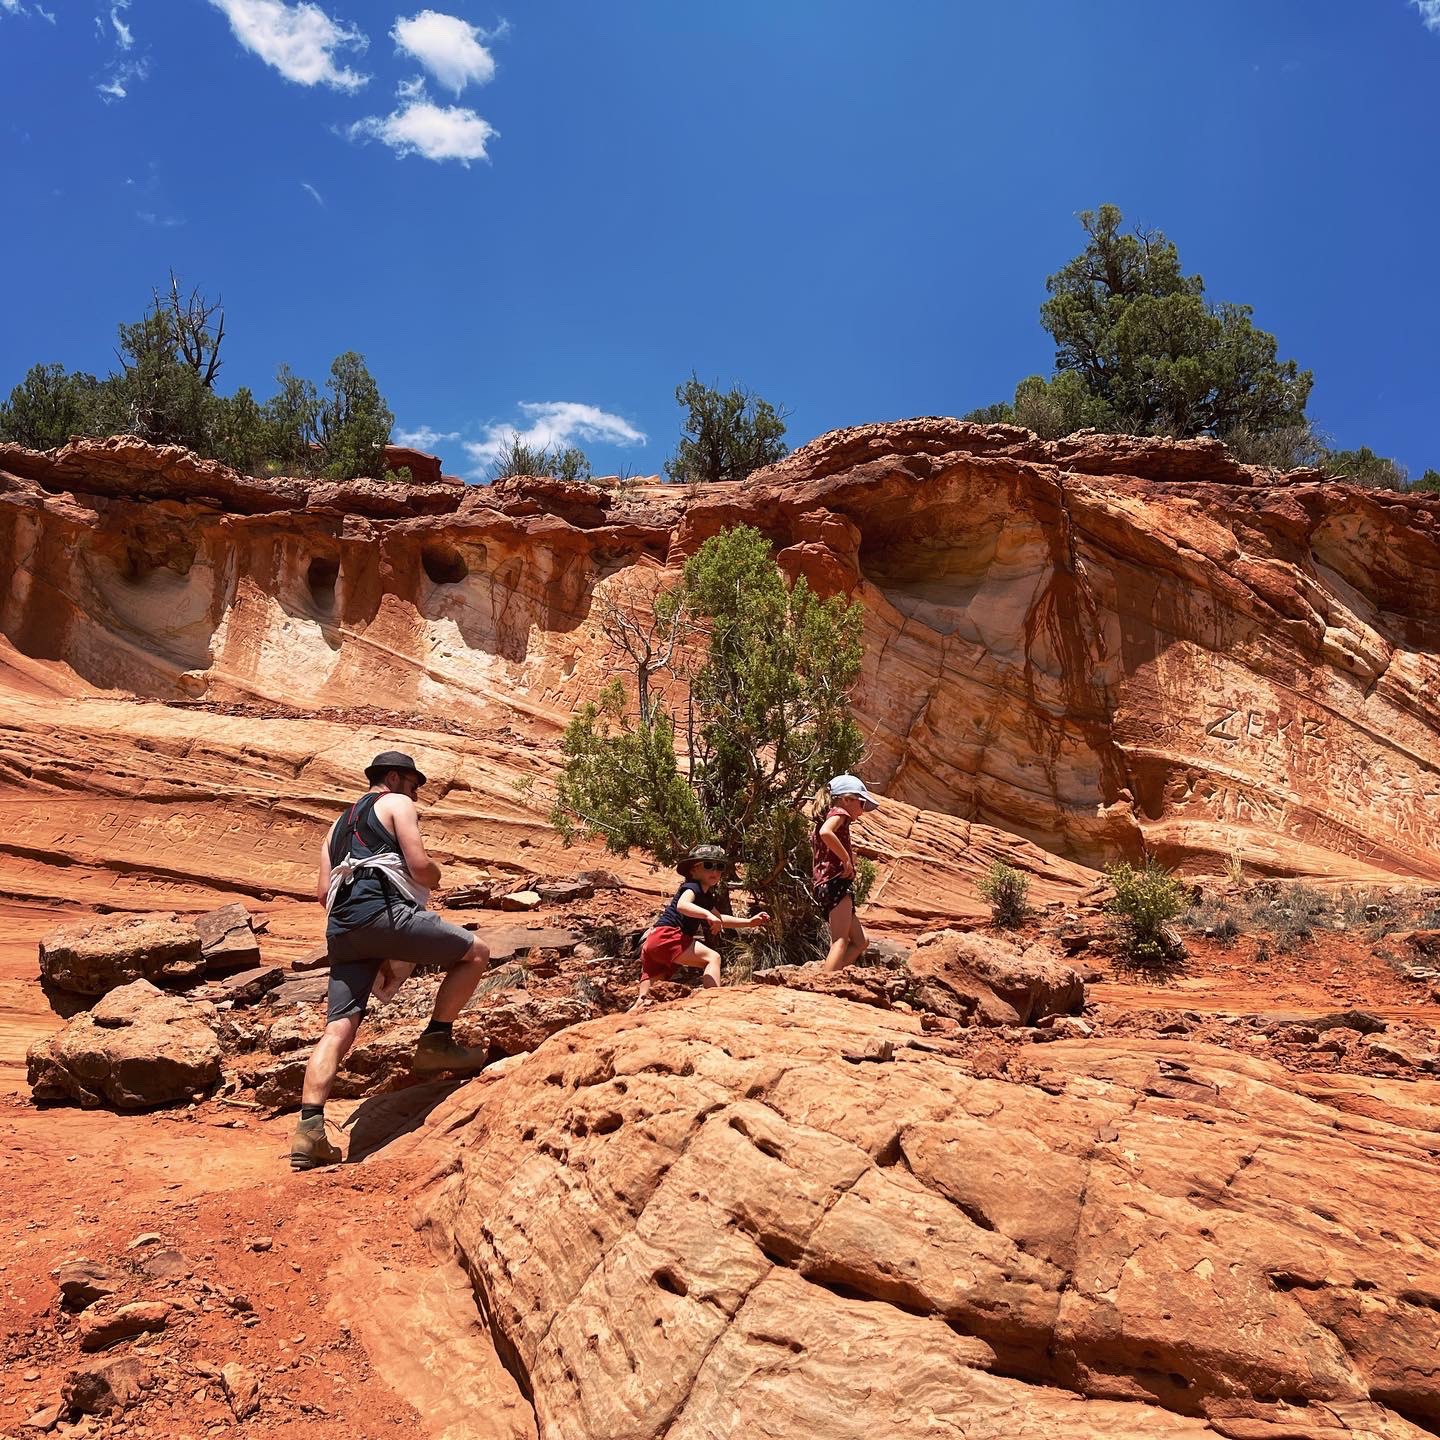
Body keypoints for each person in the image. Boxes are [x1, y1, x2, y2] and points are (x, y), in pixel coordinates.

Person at [290, 750, 492, 1172]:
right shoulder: (396, 802)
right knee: (476, 953)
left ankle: (309, 1129)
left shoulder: (335, 827)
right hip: (382, 911)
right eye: (414, 785)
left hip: (342, 929)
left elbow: (323, 893)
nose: (415, 794)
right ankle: (436, 1042)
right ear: (396, 778)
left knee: (338, 1028)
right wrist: (435, 874)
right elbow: (418, 867)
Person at [633, 844, 769, 1009]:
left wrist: (749, 922)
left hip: (654, 942)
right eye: (708, 865)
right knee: (713, 958)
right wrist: (707, 915)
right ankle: (713, 1003)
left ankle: (627, 1019)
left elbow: (720, 919)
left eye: (720, 867)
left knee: (644, 1000)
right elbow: (682, 905)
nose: (715, 871)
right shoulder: (693, 887)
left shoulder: (705, 897)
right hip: (668, 936)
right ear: (693, 870)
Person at [813, 773, 879, 972]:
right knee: (840, 941)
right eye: (861, 803)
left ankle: (832, 974)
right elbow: (826, 833)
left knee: (861, 942)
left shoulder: (826, 817)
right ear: (847, 799)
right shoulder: (839, 812)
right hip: (835, 883)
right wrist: (845, 859)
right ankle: (824, 983)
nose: (863, 810)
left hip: (828, 885)